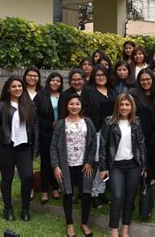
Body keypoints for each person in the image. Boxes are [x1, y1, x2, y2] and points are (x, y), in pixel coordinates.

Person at [0, 77, 39, 222]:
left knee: (27, 177)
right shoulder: (2, 105)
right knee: (7, 178)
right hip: (5, 147)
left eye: (19, 86)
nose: (17, 89)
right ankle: (8, 208)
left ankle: (25, 209)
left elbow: (35, 127)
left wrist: (35, 148)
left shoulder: (30, 105)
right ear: (8, 89)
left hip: (24, 148)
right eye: (14, 86)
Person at [99, 93, 147, 237]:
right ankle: (114, 229)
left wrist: (144, 166)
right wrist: (103, 167)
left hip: (134, 165)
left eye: (127, 104)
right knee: (117, 197)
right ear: (117, 106)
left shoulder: (137, 122)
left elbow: (142, 145)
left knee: (129, 198)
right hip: (115, 167)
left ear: (132, 106)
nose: (124, 107)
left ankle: (125, 228)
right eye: (122, 104)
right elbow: (103, 146)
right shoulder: (109, 122)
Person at [50, 94, 96, 237]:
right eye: (71, 104)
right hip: (66, 165)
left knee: (87, 193)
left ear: (81, 106)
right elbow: (53, 147)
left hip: (84, 165)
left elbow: (93, 144)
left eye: (77, 104)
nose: (74, 107)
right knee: (68, 194)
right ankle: (70, 224)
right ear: (66, 106)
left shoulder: (88, 122)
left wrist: (89, 162)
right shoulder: (60, 124)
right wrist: (56, 166)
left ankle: (84, 223)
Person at [128, 68, 155, 187]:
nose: (145, 82)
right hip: (140, 130)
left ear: (153, 79)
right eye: (142, 80)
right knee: (145, 155)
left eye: (148, 79)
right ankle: (149, 176)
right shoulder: (133, 93)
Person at [88, 65, 117, 209]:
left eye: (103, 75)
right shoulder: (89, 92)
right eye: (97, 75)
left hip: (111, 132)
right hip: (97, 132)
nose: (100, 77)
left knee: (107, 163)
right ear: (93, 77)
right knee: (97, 163)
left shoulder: (112, 91)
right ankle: (93, 194)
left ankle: (101, 191)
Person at [34, 72, 64, 204]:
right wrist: (48, 124)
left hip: (61, 133)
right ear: (48, 81)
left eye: (58, 81)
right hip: (46, 132)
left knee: (57, 161)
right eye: (53, 80)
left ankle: (55, 188)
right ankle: (45, 190)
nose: (55, 83)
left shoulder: (63, 96)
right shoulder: (41, 95)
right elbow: (35, 116)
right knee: (46, 161)